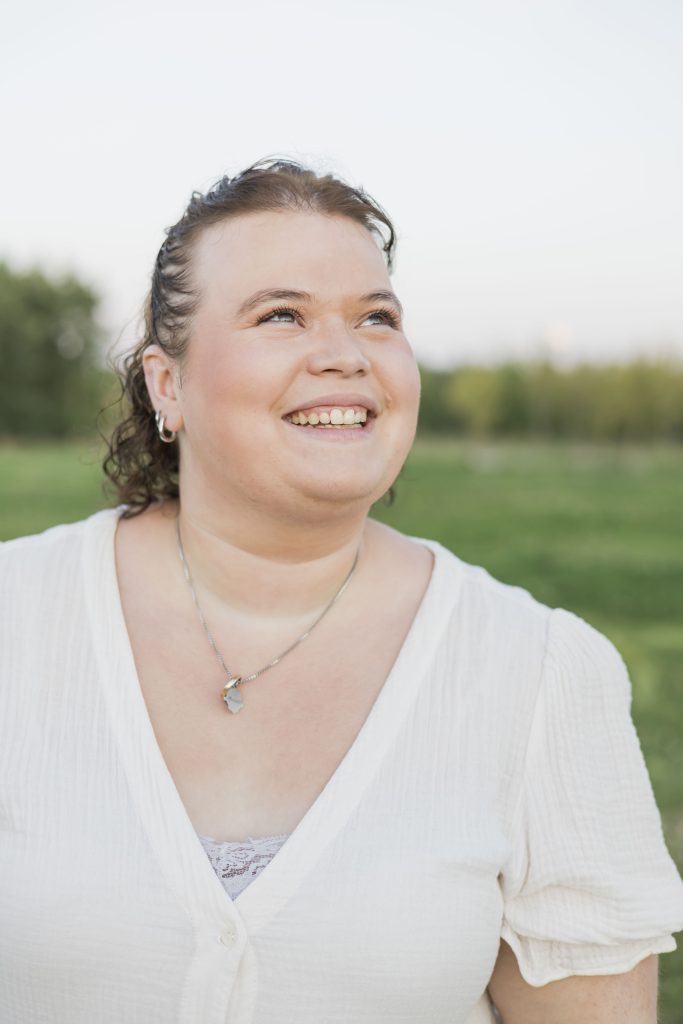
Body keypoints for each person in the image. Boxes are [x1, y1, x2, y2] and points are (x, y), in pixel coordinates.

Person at [1, 158, 682, 1024]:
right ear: (167, 384)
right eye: (281, 315)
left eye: (376, 318)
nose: (345, 355)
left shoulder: (539, 670)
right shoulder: (15, 619)